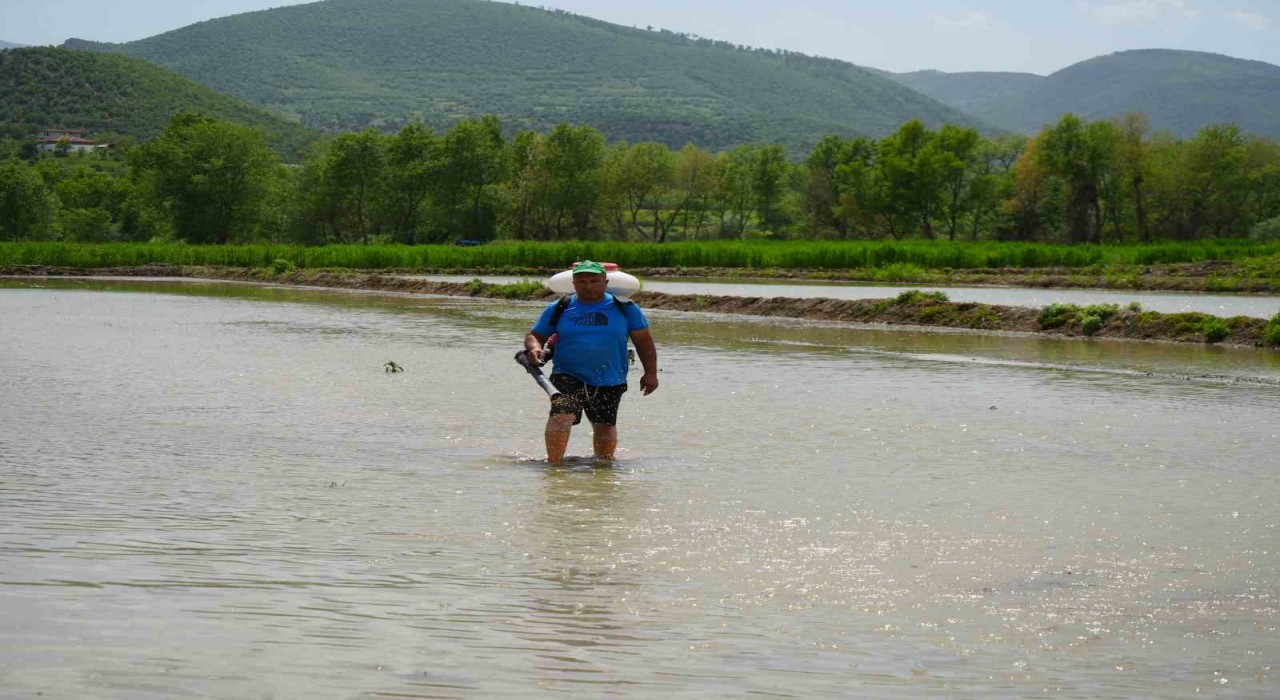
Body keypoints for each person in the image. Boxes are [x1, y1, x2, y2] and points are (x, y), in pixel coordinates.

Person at [524, 260, 659, 464]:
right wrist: (534, 348)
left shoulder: (625, 308)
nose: (588, 286)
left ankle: (603, 467)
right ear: (574, 283)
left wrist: (650, 373)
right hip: (567, 373)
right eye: (582, 281)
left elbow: (643, 341)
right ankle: (553, 467)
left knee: (604, 425)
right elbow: (536, 334)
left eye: (594, 281)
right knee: (561, 416)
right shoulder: (560, 306)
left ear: (605, 282)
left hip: (610, 375)